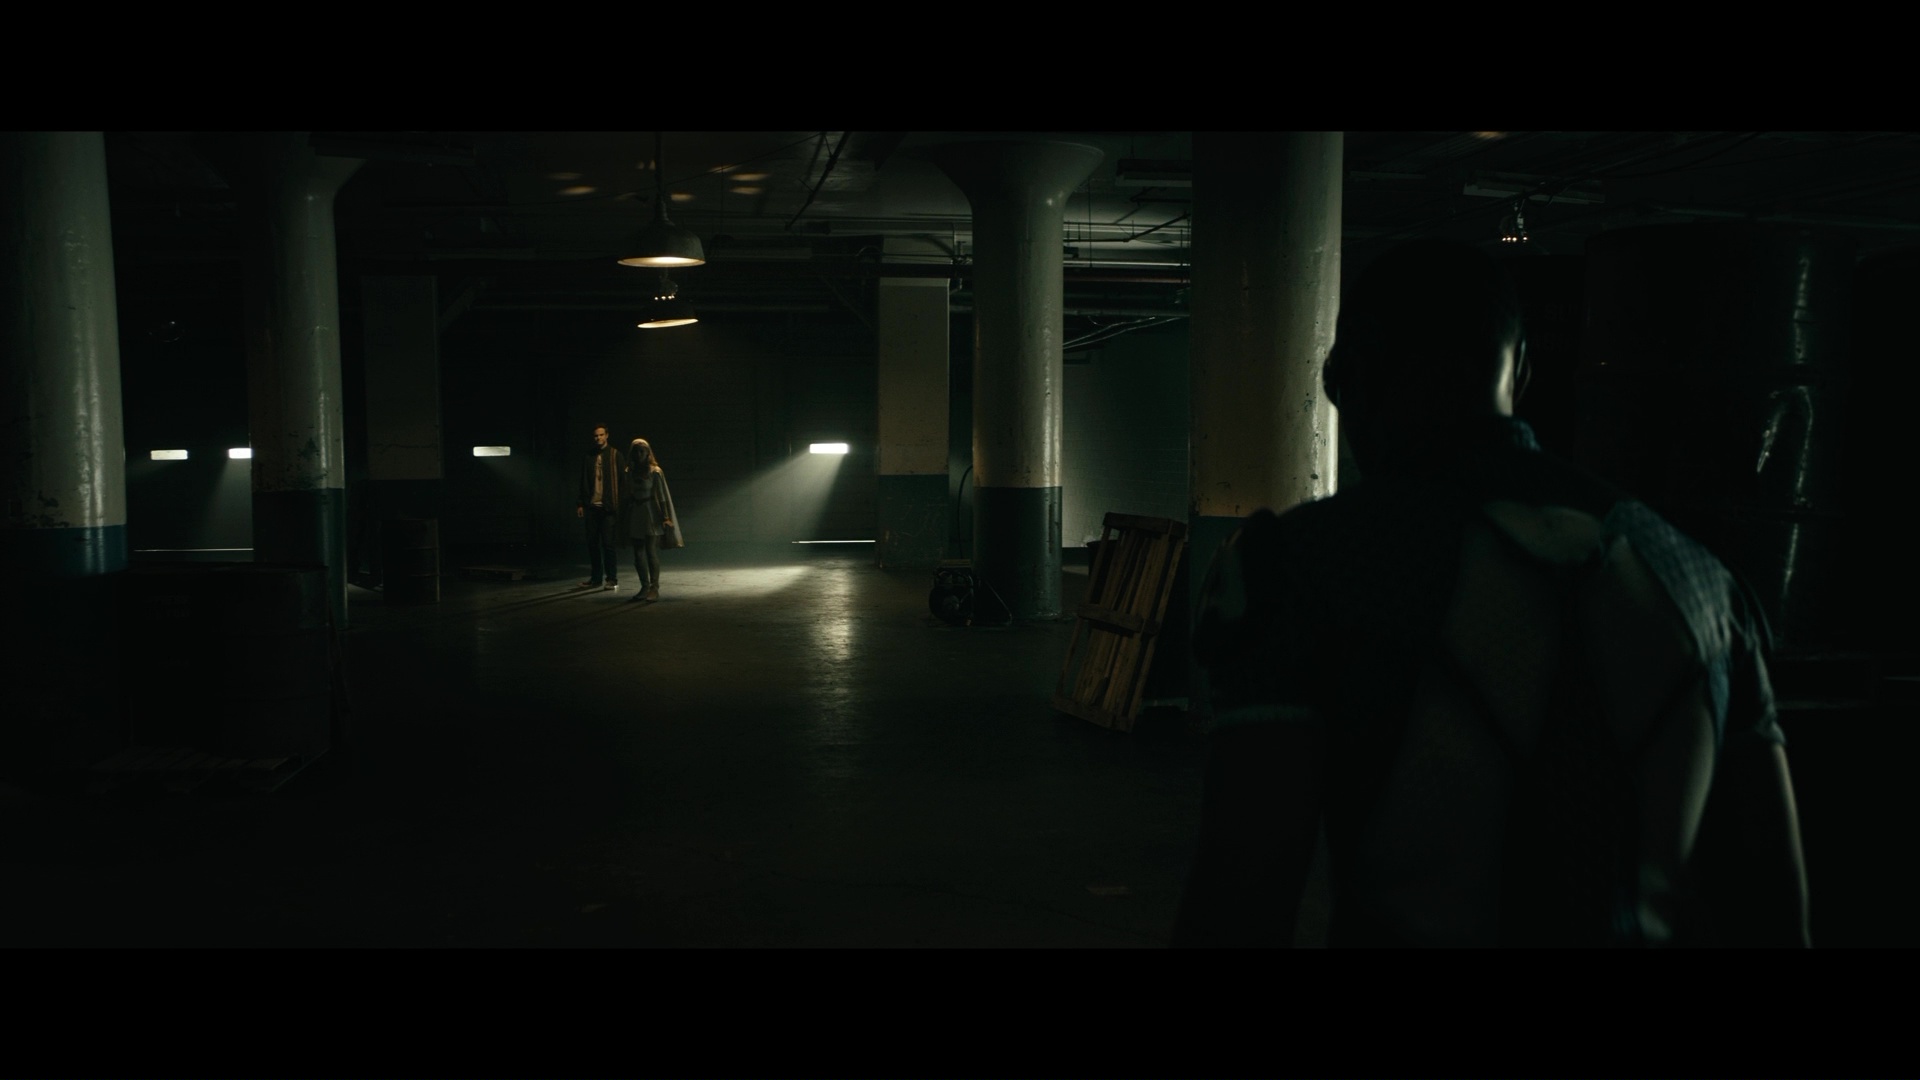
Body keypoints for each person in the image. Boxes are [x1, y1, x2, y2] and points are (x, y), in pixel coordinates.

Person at [1171, 239, 1810, 948]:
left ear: (1345, 379)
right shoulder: (1707, 587)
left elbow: (1241, 897)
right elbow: (1774, 912)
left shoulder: (1304, 565)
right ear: (1524, 371)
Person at [621, 437, 681, 603]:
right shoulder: (629, 471)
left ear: (648, 453)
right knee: (638, 553)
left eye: (642, 451)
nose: (639, 455)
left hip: (650, 511)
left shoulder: (655, 472)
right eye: (636, 452)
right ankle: (644, 586)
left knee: (650, 550)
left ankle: (654, 587)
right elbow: (627, 493)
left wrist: (666, 517)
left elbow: (662, 496)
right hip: (636, 511)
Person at [576, 424, 621, 591]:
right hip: (592, 506)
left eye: (601, 435)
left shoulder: (615, 455)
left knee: (608, 544)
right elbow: (583, 480)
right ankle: (596, 578)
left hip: (608, 508)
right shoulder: (589, 456)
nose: (598, 438)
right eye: (596, 435)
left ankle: (612, 578)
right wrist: (581, 503)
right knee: (592, 544)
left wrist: (620, 504)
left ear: (607, 435)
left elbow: (622, 481)